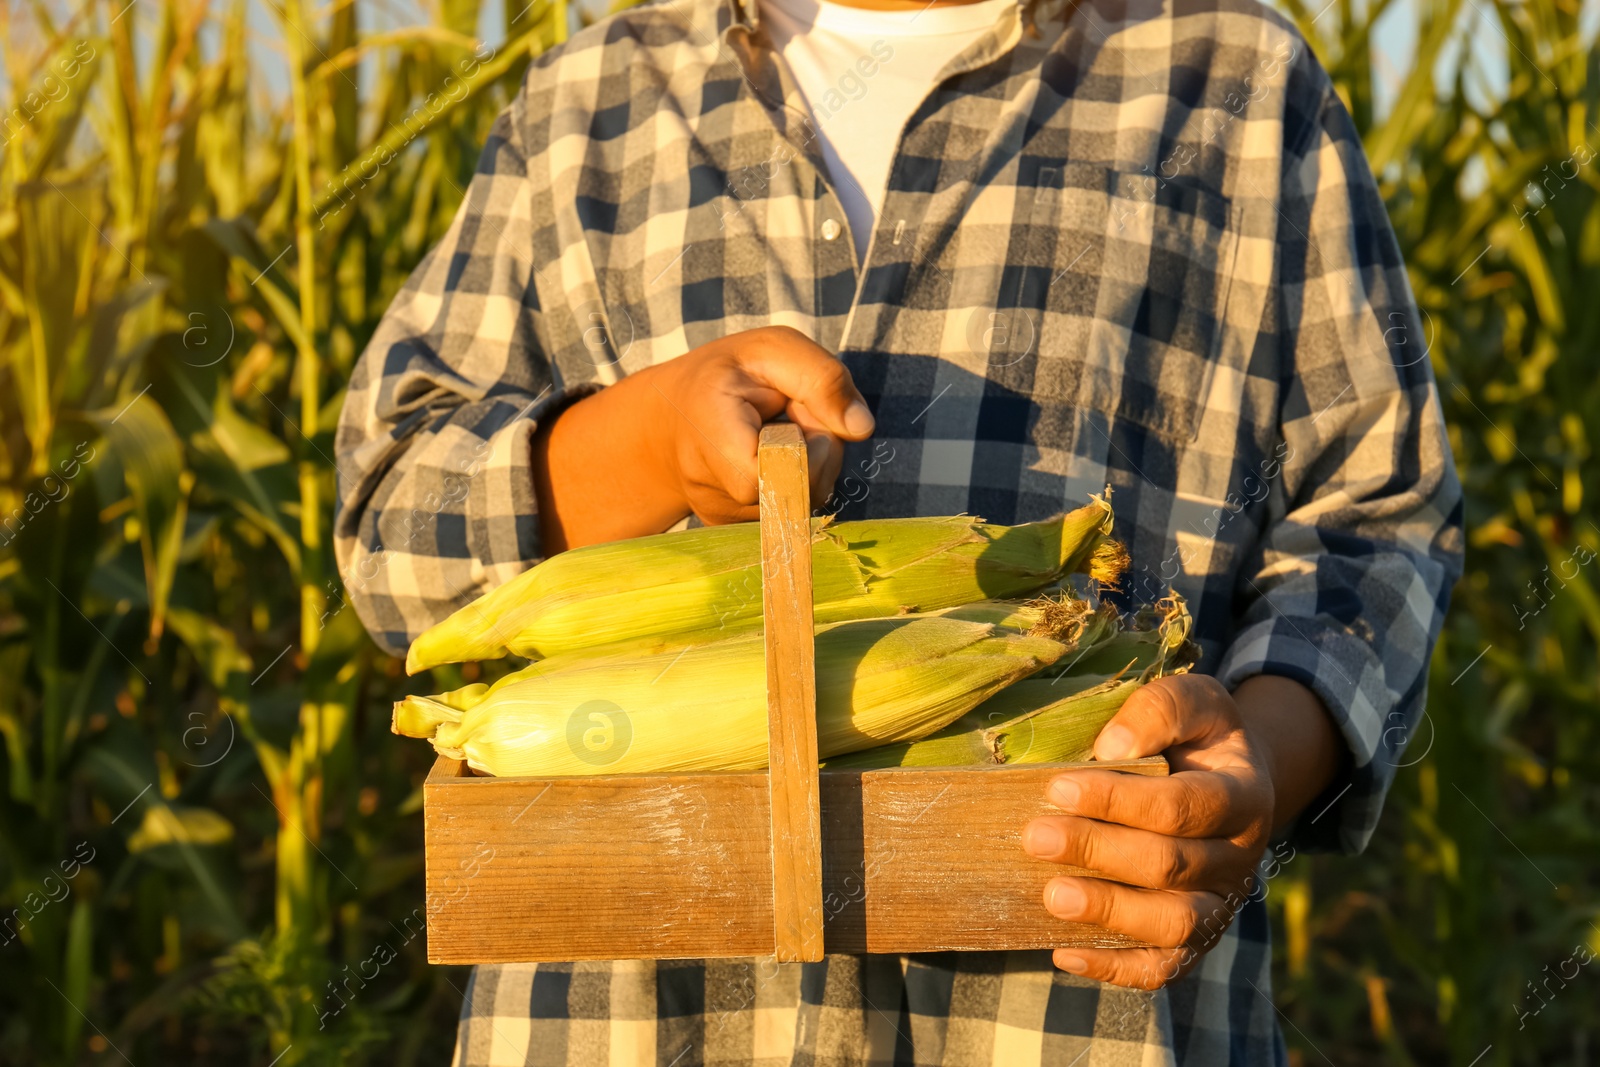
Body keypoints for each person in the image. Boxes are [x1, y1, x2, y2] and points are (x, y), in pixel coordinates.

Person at [333, 0, 1464, 1057]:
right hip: (629, 1018)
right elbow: (391, 533)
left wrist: (1258, 756)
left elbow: (1374, 523)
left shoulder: (1237, 81)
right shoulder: (590, 103)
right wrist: (646, 443)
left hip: (1075, 1013)